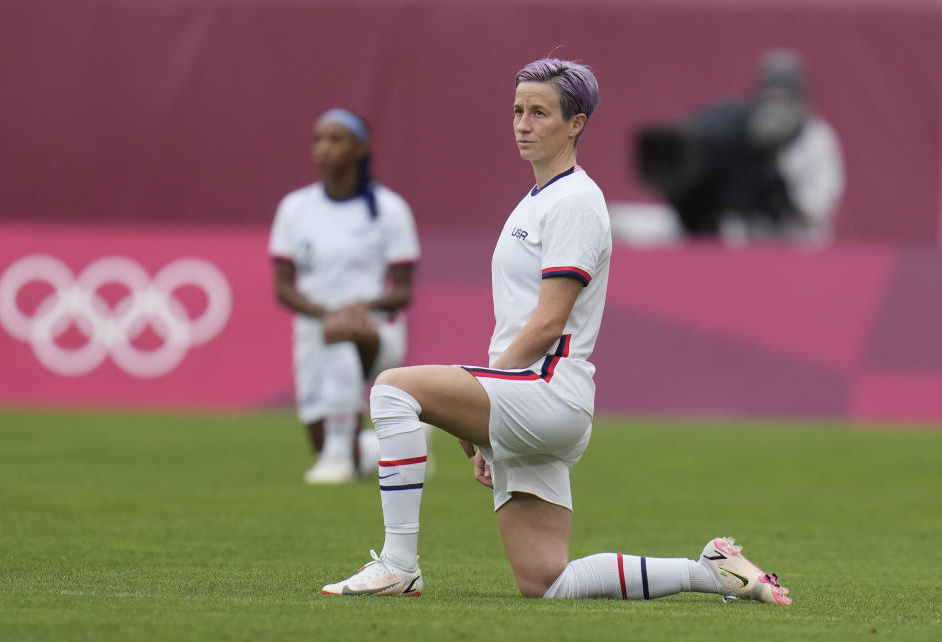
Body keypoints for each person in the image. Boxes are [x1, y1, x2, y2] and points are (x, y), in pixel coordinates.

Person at [321, 58, 791, 605]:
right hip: (532, 396)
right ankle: (711, 571)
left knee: (393, 388)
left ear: (577, 123)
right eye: (518, 111)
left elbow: (547, 322)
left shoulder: (575, 202)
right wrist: (489, 415)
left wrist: (481, 406)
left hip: (546, 389)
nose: (523, 123)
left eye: (540, 112)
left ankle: (399, 564)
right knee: (546, 582)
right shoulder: (540, 200)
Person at [268, 108, 421, 484]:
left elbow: (402, 291)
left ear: (360, 149)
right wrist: (325, 312)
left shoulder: (390, 209)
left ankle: (338, 455)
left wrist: (360, 309)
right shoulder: (295, 208)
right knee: (336, 454)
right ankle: (367, 450)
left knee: (340, 330)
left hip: (374, 332)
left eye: (336, 140)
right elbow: (283, 287)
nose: (324, 149)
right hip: (313, 330)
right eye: (318, 139)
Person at [635, 49, 843, 244]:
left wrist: (780, 198)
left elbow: (818, 200)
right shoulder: (742, 132)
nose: (778, 108)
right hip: (742, 237)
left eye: (785, 98)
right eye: (772, 97)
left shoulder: (817, 136)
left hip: (798, 241)